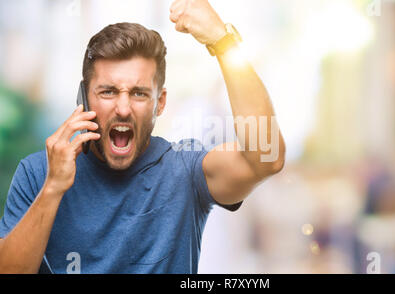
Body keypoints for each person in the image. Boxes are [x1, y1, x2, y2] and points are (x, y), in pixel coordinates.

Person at [0, 0, 285, 273]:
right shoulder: (37, 174)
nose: (123, 109)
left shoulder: (184, 172)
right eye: (108, 91)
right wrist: (53, 188)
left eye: (139, 93)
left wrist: (223, 43)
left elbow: (267, 157)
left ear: (159, 103)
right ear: (84, 98)